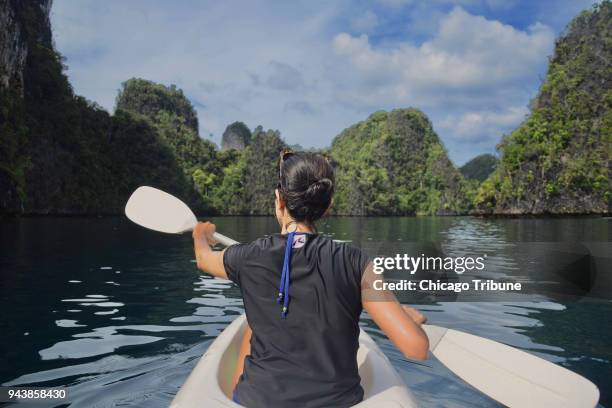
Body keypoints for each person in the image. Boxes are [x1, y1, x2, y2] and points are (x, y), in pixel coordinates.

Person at [192, 150, 429, 408]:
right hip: (339, 403)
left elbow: (204, 259)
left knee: (252, 325)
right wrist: (409, 321)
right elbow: (415, 348)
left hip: (258, 401)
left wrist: (201, 234)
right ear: (327, 206)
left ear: (279, 200)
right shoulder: (357, 263)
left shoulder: (247, 256)